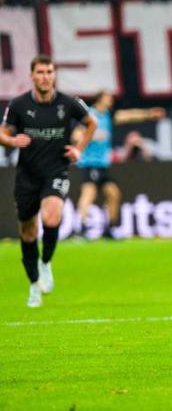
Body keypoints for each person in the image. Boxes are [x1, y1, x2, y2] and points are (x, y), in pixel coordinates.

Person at [0, 54, 97, 308]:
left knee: (52, 216)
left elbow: (91, 122)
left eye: (49, 72)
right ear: (32, 76)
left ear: (54, 75)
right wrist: (12, 141)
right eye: (41, 72)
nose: (45, 77)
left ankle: (45, 262)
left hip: (56, 170)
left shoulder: (69, 103)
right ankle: (34, 285)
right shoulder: (19, 105)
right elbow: (3, 133)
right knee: (28, 231)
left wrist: (79, 149)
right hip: (27, 175)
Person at [75, 90, 165, 239]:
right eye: (108, 97)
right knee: (89, 193)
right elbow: (76, 135)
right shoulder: (89, 114)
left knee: (113, 193)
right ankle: (81, 229)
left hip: (102, 164)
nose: (111, 100)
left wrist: (149, 114)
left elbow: (128, 115)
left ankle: (110, 229)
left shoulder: (107, 115)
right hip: (89, 163)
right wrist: (93, 135)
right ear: (99, 99)